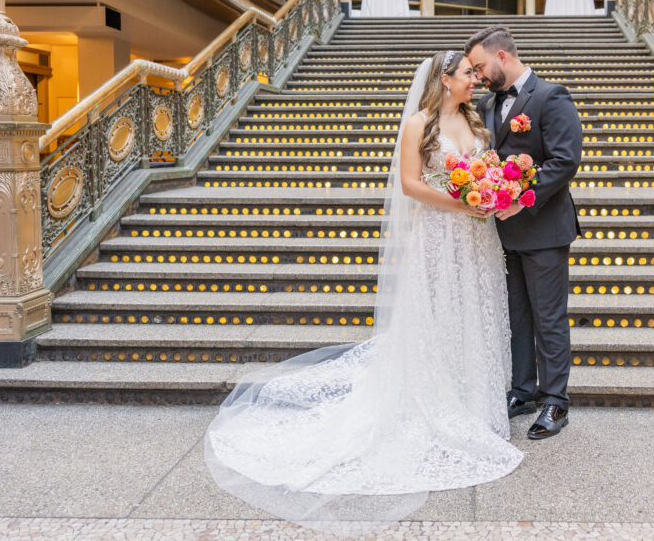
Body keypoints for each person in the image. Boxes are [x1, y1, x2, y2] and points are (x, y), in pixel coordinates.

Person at [204, 50, 523, 532]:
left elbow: (490, 169)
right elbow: (411, 186)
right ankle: (433, 403)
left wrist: (497, 192)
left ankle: (474, 404)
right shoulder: (419, 124)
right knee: (437, 318)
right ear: (445, 79)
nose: (475, 81)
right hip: (439, 235)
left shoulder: (478, 125)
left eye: (476, 75)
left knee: (473, 314)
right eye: (467, 75)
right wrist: (462, 205)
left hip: (477, 239)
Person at [467, 25, 583, 440]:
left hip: (545, 228)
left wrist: (522, 195)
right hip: (504, 231)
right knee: (517, 315)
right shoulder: (487, 102)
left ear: (502, 57)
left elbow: (565, 161)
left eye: (481, 66)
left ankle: (556, 402)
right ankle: (523, 390)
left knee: (549, 318)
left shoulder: (552, 97)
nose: (478, 75)